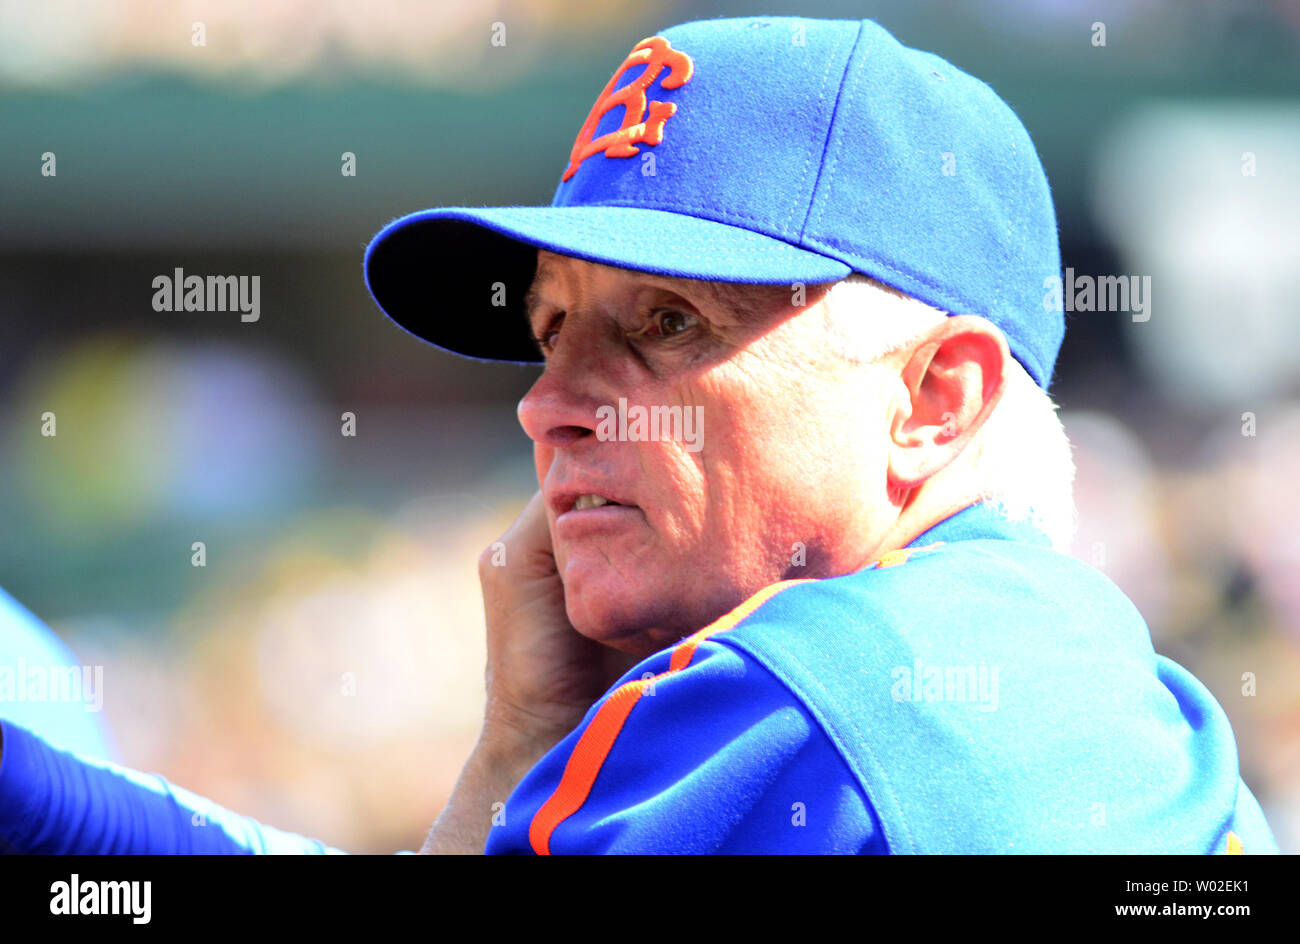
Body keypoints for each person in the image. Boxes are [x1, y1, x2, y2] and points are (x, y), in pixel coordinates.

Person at [0, 15, 1277, 854]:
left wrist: (508, 753)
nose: (548, 401)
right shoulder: (1117, 691)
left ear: (934, 397)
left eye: (664, 321)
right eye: (552, 329)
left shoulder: (806, 696)